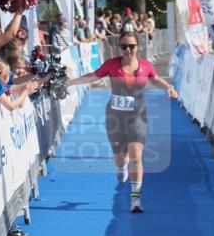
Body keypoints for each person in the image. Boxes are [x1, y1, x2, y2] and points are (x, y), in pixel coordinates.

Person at [65, 32, 178, 213]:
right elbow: (94, 76)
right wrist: (71, 82)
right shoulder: (112, 65)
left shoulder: (146, 66)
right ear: (119, 47)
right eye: (124, 46)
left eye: (131, 46)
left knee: (136, 156)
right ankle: (121, 166)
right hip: (115, 117)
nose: (127, 50)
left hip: (138, 117)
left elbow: (155, 79)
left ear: (137, 47)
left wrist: (169, 87)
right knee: (120, 158)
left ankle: (135, 199)